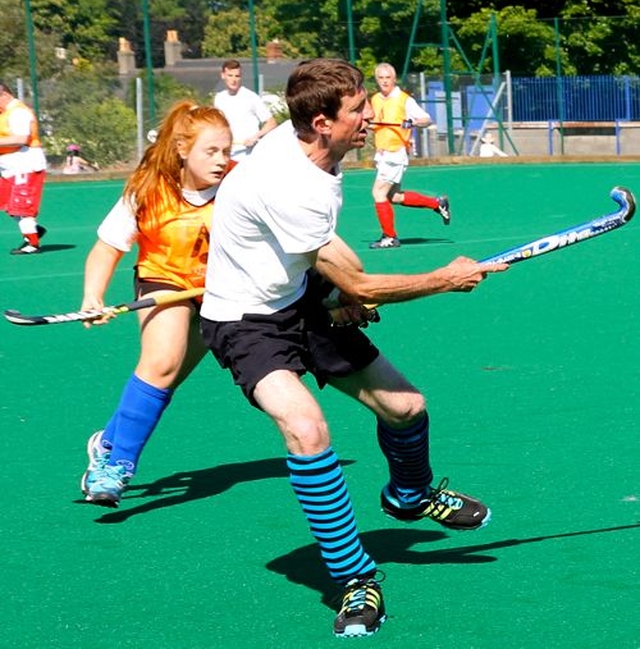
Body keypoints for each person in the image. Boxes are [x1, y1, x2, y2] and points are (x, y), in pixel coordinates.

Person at [200, 58, 509, 638]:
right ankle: (354, 579)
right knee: (306, 429)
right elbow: (364, 286)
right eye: (359, 109)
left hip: (298, 296)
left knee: (407, 408)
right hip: (245, 321)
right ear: (321, 122)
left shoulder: (304, 152)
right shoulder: (290, 184)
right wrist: (446, 278)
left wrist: (339, 291)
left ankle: (410, 496)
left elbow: (346, 274)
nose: (371, 116)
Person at [79, 100, 234, 507]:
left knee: (165, 380)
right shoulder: (149, 187)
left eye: (226, 150)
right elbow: (108, 247)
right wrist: (93, 296)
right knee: (161, 363)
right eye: (211, 151)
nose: (222, 160)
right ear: (183, 150)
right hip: (162, 280)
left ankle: (108, 440)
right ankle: (116, 467)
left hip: (219, 293)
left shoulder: (241, 184)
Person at [369, 62, 449, 250]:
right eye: (381, 78)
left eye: (388, 78)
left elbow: (426, 119)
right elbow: (376, 124)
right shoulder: (375, 99)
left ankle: (389, 237)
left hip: (395, 152)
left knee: (378, 192)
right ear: (376, 79)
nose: (384, 81)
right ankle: (437, 204)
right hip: (382, 153)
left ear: (394, 79)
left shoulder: (404, 99)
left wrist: (411, 122)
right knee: (394, 196)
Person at [0, 81, 48, 255]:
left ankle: (33, 243)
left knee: (21, 206)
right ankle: (33, 229)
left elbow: (20, 139)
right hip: (9, 168)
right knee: (7, 204)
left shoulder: (18, 112)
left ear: (3, 94)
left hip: (25, 166)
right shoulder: (4, 114)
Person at [213, 59, 277, 161]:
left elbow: (271, 123)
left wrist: (255, 137)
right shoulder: (219, 98)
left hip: (247, 156)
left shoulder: (250, 97)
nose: (234, 79)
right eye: (230, 75)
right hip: (227, 155)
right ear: (223, 75)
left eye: (237, 76)